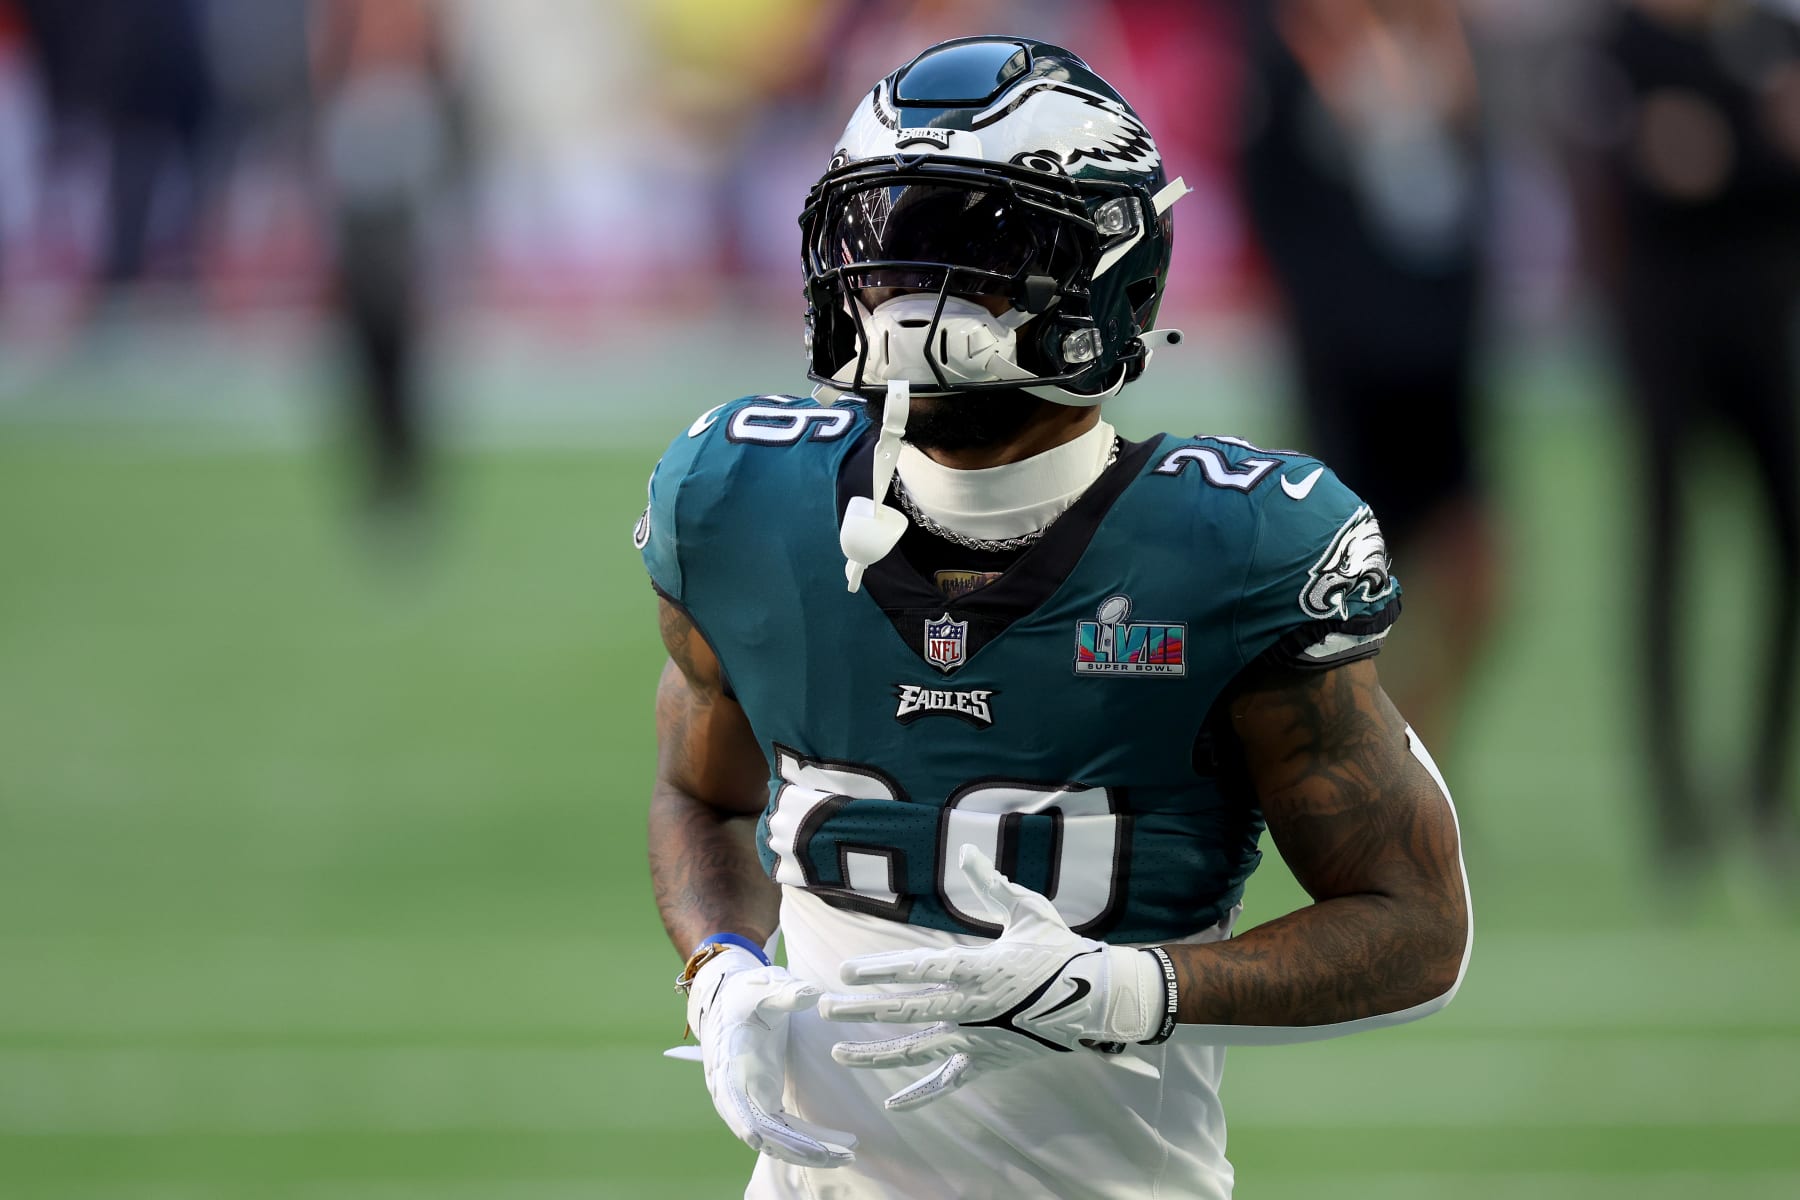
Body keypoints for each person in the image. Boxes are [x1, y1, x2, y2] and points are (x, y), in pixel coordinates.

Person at [639, 37, 1472, 1199]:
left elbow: (1416, 922)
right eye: (883, 244)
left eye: (971, 249)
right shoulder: (739, 500)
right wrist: (720, 968)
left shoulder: (1231, 551)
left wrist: (1136, 991)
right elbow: (697, 796)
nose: (899, 296)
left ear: (1107, 276)